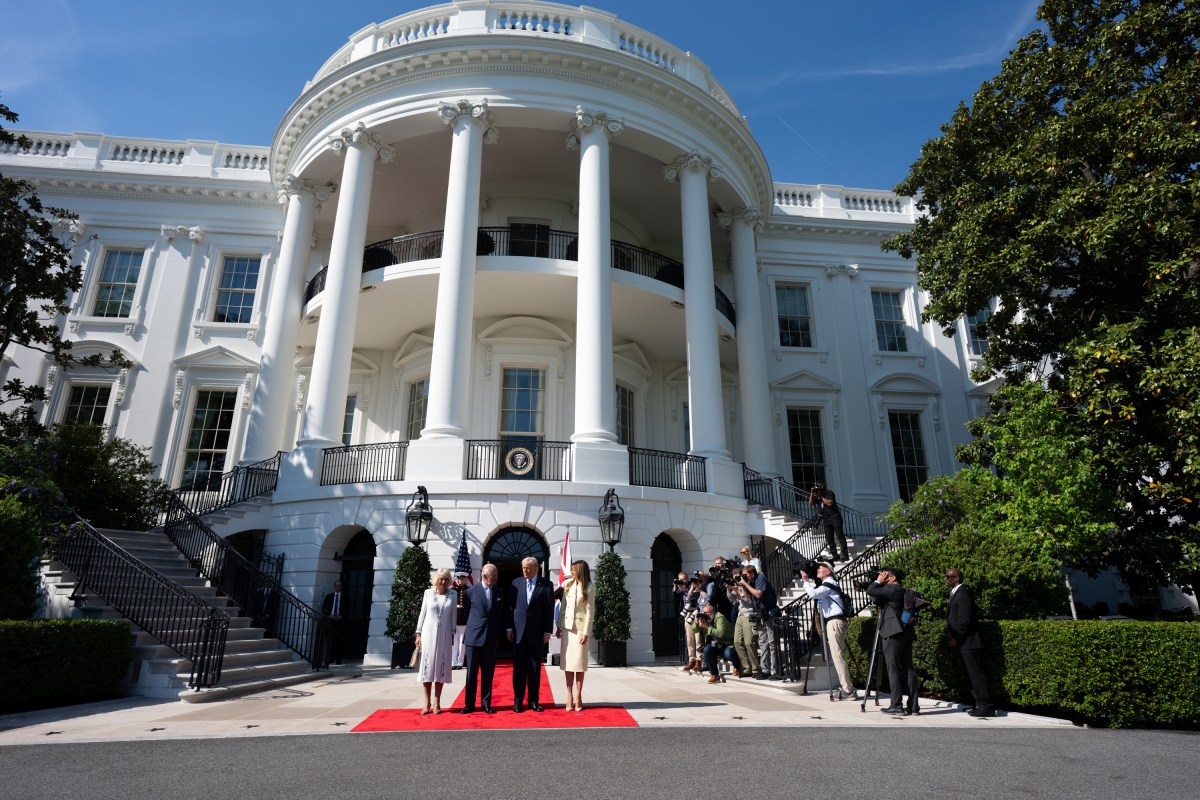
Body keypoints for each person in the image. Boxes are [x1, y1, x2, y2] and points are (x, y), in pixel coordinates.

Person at [865, 566, 920, 715]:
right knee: (908, 668)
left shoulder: (893, 589)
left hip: (893, 632)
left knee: (893, 668)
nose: (883, 578)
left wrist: (877, 581)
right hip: (906, 632)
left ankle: (896, 705)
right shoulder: (900, 590)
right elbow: (876, 599)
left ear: (893, 578)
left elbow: (870, 590)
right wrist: (877, 582)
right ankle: (913, 707)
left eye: (886, 576)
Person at [800, 560, 855, 699]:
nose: (818, 569)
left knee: (837, 656)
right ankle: (847, 687)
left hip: (835, 621)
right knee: (837, 655)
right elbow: (817, 595)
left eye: (821, 567)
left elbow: (813, 594)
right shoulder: (827, 584)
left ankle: (848, 690)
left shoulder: (829, 583)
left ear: (828, 571)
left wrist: (805, 581)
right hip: (834, 621)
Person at [506, 556, 554, 712]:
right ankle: (518, 700)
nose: (524, 570)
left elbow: (549, 610)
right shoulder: (516, 583)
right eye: (523, 567)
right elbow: (510, 607)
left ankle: (533, 700)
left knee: (534, 668)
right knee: (519, 669)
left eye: (527, 567)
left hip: (537, 633)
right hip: (518, 632)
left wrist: (548, 631)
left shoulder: (546, 585)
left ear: (536, 568)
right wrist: (509, 628)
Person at [946, 567, 995, 717]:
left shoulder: (963, 594)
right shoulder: (956, 593)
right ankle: (978, 704)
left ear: (957, 579)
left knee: (976, 675)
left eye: (949, 576)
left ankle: (986, 705)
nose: (946, 579)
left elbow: (964, 621)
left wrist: (956, 638)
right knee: (969, 675)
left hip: (969, 643)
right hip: (964, 644)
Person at [460, 563, 503, 714]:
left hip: (490, 639)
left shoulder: (499, 592)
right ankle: (469, 704)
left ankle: (486, 703)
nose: (496, 578)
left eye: (496, 575)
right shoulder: (471, 592)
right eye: (494, 575)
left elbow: (498, 615)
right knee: (471, 673)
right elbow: (467, 612)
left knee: (488, 673)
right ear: (484, 576)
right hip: (474, 638)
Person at [415, 567, 457, 715]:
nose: (444, 581)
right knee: (428, 666)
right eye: (441, 578)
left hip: (445, 633)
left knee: (441, 666)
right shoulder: (428, 593)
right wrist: (418, 633)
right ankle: (426, 702)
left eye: (446, 579)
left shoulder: (453, 594)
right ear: (436, 579)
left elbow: (453, 616)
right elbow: (422, 613)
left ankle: (437, 701)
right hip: (428, 632)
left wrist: (453, 633)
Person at [556, 559, 595, 711]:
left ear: (580, 570)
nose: (571, 572)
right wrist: (559, 626)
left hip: (580, 629)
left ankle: (578, 695)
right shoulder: (567, 585)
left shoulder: (590, 587)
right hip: (567, 628)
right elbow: (563, 607)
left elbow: (590, 612)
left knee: (579, 664)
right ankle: (569, 696)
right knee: (567, 664)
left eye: (573, 570)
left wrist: (586, 632)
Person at [739, 564, 779, 679]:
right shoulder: (750, 583)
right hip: (760, 614)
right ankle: (765, 670)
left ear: (752, 574)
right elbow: (747, 598)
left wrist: (745, 583)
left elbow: (758, 593)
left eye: (746, 575)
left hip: (769, 613)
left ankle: (775, 670)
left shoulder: (760, 578)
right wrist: (742, 587)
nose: (744, 577)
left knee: (772, 642)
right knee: (763, 642)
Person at [696, 603, 740, 683]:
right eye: (704, 613)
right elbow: (694, 630)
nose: (706, 615)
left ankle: (737, 666)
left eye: (708, 613)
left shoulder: (720, 617)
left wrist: (707, 627)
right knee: (707, 650)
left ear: (713, 612)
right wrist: (696, 622)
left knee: (728, 654)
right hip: (717, 645)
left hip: (728, 644)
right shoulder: (706, 619)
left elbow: (720, 633)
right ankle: (715, 675)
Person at [676, 573, 703, 673]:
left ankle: (699, 660)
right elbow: (675, 595)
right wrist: (676, 586)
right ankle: (691, 660)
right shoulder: (681, 589)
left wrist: (691, 587)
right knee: (689, 639)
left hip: (696, 613)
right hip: (687, 614)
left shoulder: (695, 586)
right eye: (680, 580)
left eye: (684, 579)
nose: (683, 581)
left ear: (687, 579)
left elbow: (690, 598)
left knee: (698, 638)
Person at [817, 490, 850, 562]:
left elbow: (829, 503)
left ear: (822, 486)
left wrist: (821, 497)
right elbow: (810, 503)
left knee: (840, 536)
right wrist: (811, 493)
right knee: (829, 538)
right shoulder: (818, 497)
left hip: (835, 517)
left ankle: (845, 554)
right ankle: (835, 555)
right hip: (826, 519)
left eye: (818, 487)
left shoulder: (829, 493)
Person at [320, 579, 346, 665]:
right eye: (337, 585)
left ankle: (338, 659)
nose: (338, 587)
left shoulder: (345, 597)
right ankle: (329, 659)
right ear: (334, 587)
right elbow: (324, 608)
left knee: (339, 640)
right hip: (330, 621)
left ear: (342, 587)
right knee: (329, 640)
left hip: (340, 621)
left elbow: (348, 608)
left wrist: (341, 616)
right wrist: (329, 616)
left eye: (340, 585)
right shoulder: (329, 596)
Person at [451, 574, 470, 669]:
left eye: (462, 578)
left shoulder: (469, 590)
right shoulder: (453, 591)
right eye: (459, 579)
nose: (461, 580)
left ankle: (460, 662)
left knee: (462, 643)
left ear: (465, 579)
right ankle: (453, 662)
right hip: (455, 618)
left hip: (464, 618)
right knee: (454, 642)